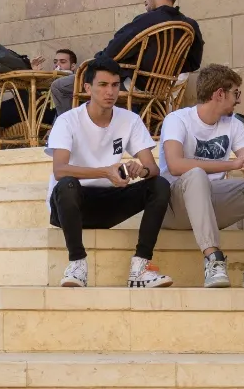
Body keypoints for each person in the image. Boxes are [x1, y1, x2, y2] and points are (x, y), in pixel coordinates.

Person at [160, 64, 244, 288]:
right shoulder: (178, 119)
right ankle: (213, 260)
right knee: (196, 175)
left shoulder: (233, 125)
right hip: (175, 206)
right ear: (219, 94)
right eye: (236, 93)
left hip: (212, 204)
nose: (238, 100)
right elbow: (174, 165)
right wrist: (232, 163)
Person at [46, 56, 173, 289]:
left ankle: (140, 266)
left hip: (108, 204)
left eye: (115, 85)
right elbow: (59, 169)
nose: (110, 92)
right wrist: (105, 171)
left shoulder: (130, 120)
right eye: (103, 85)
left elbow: (153, 168)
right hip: (70, 206)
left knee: (159, 185)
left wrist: (141, 169)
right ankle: (77, 264)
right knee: (67, 184)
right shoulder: (68, 121)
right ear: (88, 88)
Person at [100, 0, 204, 83]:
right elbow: (194, 63)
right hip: (165, 89)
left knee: (93, 79)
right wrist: (167, 72)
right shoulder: (191, 25)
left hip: (136, 84)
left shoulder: (147, 20)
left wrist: (97, 59)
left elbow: (112, 51)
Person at [48, 48, 80, 117]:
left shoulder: (73, 84)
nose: (57, 65)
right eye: (55, 62)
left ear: (72, 66)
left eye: (62, 62)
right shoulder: (49, 81)